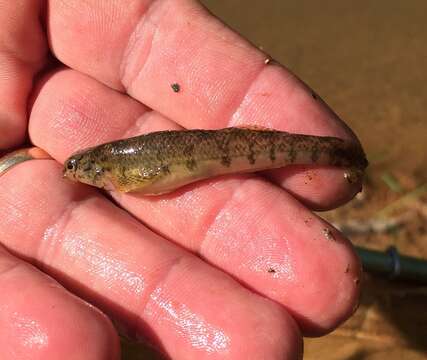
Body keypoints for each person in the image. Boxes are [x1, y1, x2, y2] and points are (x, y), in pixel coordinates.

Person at [0, 1, 363, 359]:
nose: (79, 173)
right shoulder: (112, 166)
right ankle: (334, 152)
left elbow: (152, 180)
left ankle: (333, 153)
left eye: (84, 169)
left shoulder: (119, 173)